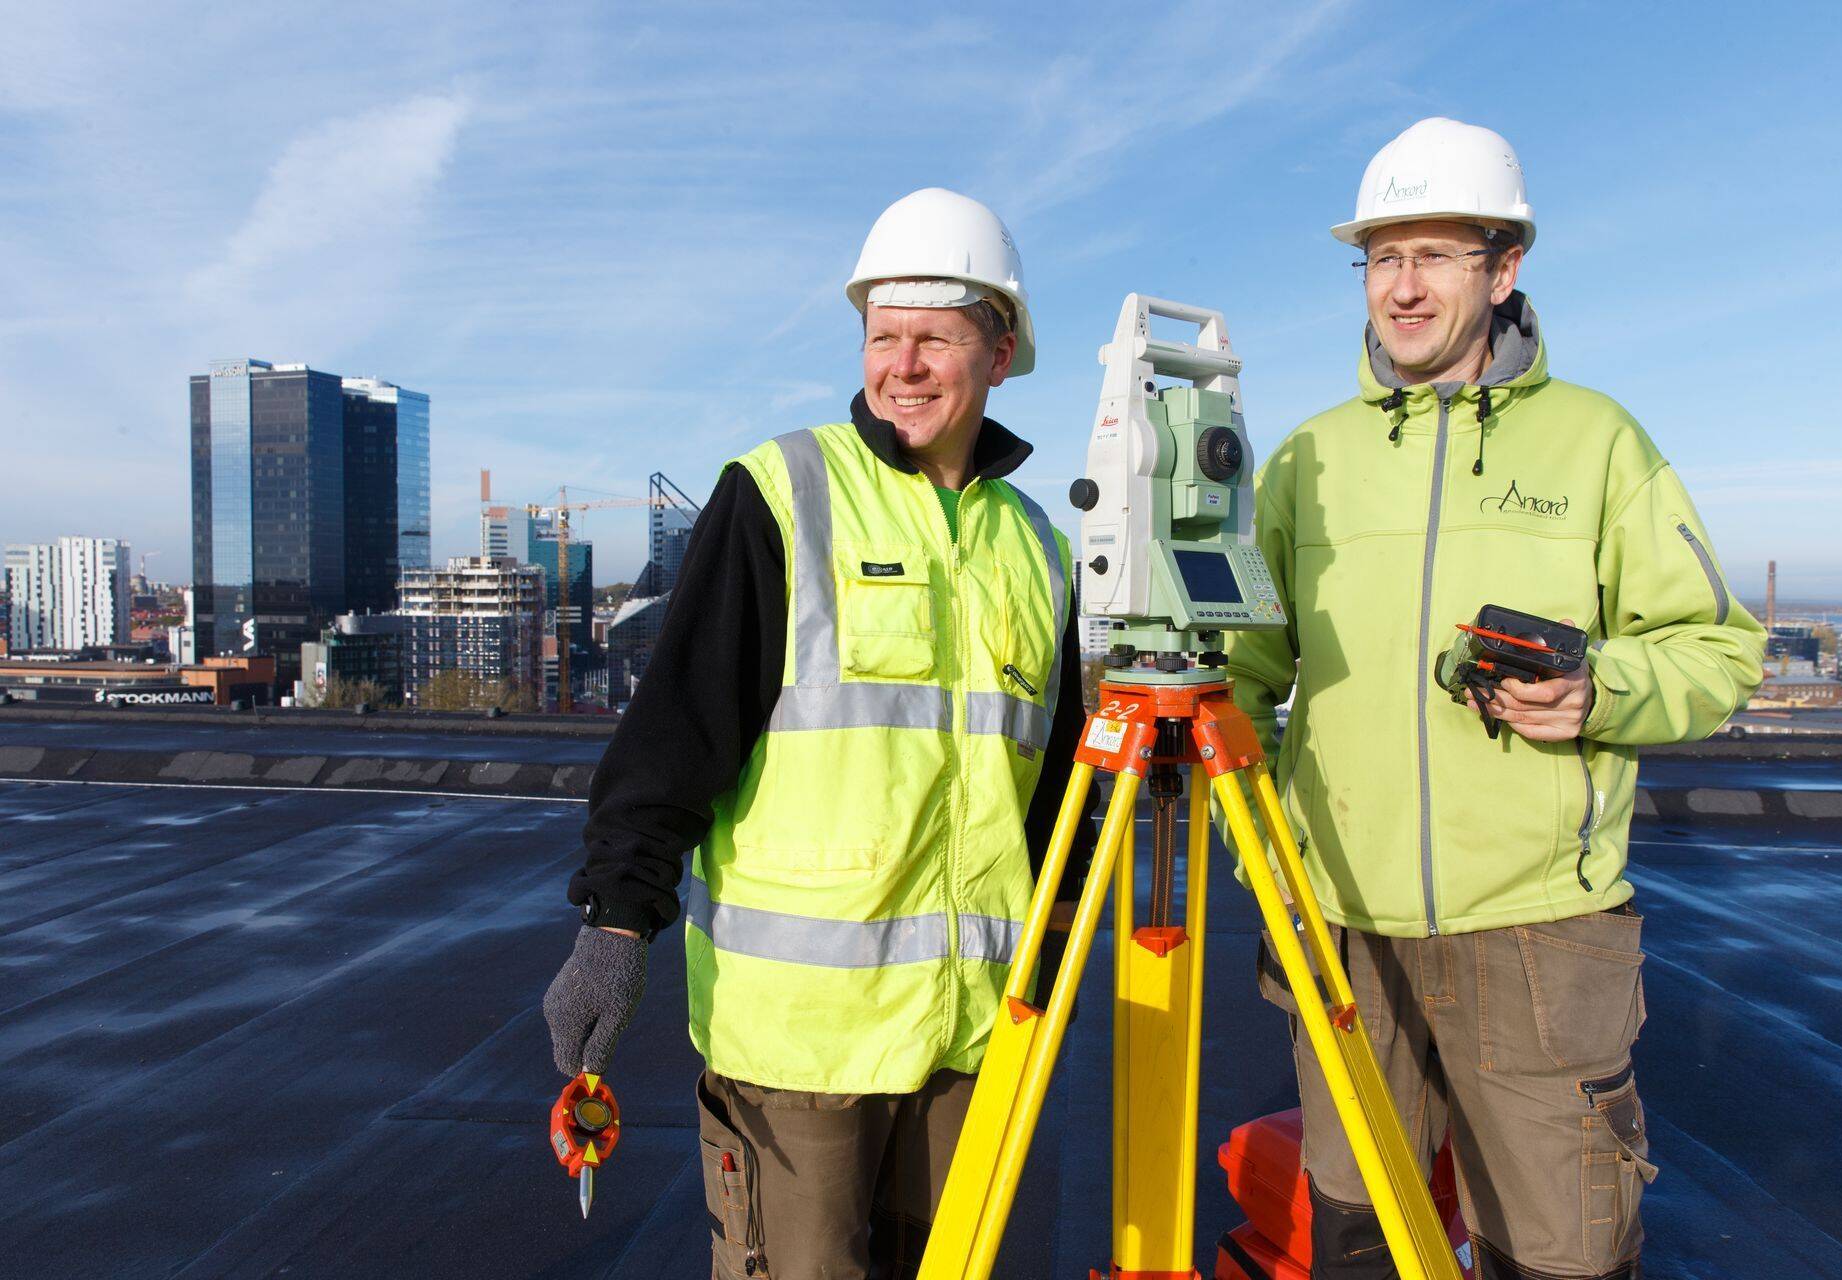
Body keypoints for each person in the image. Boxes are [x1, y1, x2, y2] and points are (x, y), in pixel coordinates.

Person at [1226, 118, 1765, 1279]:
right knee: (1358, 1240)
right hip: (1347, 928)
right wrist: (1247, 829)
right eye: (1381, 258)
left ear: (1503, 266)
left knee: (1559, 1253)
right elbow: (1249, 671)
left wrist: (1601, 688)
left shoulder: (1598, 442)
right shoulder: (1307, 461)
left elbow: (1719, 646)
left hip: (1535, 933)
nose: (1402, 288)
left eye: (1433, 256)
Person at [541, 187, 1093, 1279]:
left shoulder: (1037, 544)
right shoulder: (782, 493)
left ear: (1002, 345)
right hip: (802, 1048)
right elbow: (675, 731)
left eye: (935, 336)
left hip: (970, 1036)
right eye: (884, 337)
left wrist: (1064, 943)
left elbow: (1056, 780)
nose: (905, 365)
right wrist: (614, 925)